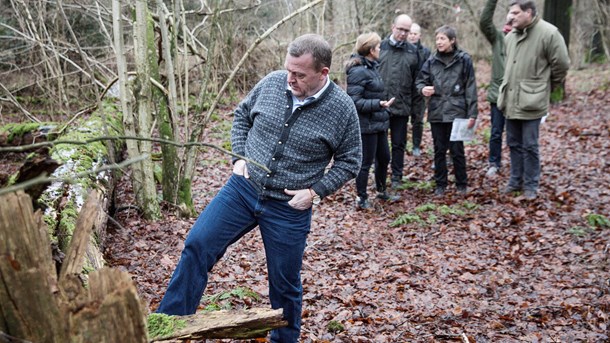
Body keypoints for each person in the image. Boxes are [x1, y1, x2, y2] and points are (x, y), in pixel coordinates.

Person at [156, 34, 362, 342]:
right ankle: (169, 327)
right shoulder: (272, 83)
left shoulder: (342, 109)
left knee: (285, 284)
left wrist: (315, 192)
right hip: (242, 191)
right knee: (197, 245)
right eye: (288, 70)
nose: (290, 79)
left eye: (300, 75)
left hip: (288, 208)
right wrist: (239, 156)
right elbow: (241, 116)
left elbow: (351, 161)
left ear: (323, 73)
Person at [498, 0, 570, 200]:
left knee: (530, 144)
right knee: (513, 143)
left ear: (528, 12)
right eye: (510, 12)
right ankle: (515, 180)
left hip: (533, 100)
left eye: (515, 13)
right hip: (511, 99)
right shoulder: (510, 36)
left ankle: (531, 185)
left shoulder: (549, 33)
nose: (510, 17)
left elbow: (562, 64)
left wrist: (546, 87)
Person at [416, 25, 478, 196]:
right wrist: (423, 89)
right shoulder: (431, 61)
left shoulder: (464, 59)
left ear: (452, 40)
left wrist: (473, 113)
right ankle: (440, 185)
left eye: (442, 38)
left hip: (458, 112)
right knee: (439, 150)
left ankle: (461, 184)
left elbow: (471, 86)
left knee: (457, 150)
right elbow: (420, 82)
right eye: (437, 39)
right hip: (437, 112)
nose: (439, 42)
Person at [345, 32, 399, 209]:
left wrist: (383, 106)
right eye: (378, 48)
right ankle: (361, 198)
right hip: (366, 125)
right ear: (370, 50)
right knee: (365, 163)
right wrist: (378, 103)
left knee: (384, 158)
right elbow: (354, 101)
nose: (380, 50)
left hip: (379, 122)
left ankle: (382, 191)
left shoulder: (372, 67)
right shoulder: (357, 70)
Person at [378, 14, 421, 188]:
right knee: (379, 145)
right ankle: (379, 178)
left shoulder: (413, 51)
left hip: (402, 106)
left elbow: (417, 81)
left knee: (399, 144)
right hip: (379, 106)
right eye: (400, 29)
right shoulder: (379, 47)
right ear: (392, 26)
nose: (403, 33)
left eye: (407, 30)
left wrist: (416, 111)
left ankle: (397, 176)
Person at [479, 0, 514, 177]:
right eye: (509, 20)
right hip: (497, 95)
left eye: (514, 19)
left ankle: (518, 166)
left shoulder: (525, 39)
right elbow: (484, 22)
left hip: (518, 95)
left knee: (516, 134)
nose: (511, 23)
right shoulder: (498, 38)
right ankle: (494, 162)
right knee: (495, 132)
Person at [407, 23, 431, 157]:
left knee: (418, 120)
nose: (412, 36)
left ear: (419, 35)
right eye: (410, 33)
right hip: (404, 91)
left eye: (415, 34)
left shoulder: (426, 52)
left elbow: (430, 71)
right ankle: (402, 144)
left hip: (419, 91)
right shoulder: (402, 49)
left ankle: (416, 145)